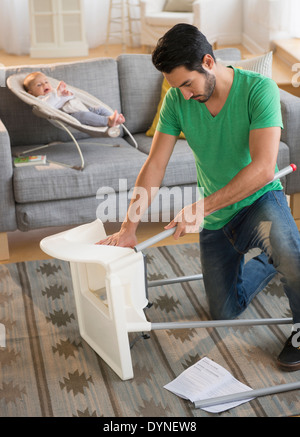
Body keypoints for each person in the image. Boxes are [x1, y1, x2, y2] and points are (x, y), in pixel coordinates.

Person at [98, 24, 300, 371]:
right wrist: (129, 227)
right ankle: (271, 261)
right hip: (218, 216)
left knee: (291, 255)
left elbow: (264, 168)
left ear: (208, 61)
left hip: (259, 202)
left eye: (187, 83)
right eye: (177, 87)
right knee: (223, 311)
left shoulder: (258, 90)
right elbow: (154, 166)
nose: (184, 94)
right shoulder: (177, 100)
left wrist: (200, 207)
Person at [23, 71, 125, 128]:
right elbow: (48, 105)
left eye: (46, 82)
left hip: (80, 108)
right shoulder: (41, 99)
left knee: (99, 108)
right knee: (85, 116)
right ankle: (107, 121)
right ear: (31, 93)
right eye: (39, 85)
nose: (44, 85)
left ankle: (113, 118)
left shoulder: (54, 91)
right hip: (71, 117)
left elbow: (71, 98)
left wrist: (67, 94)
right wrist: (57, 93)